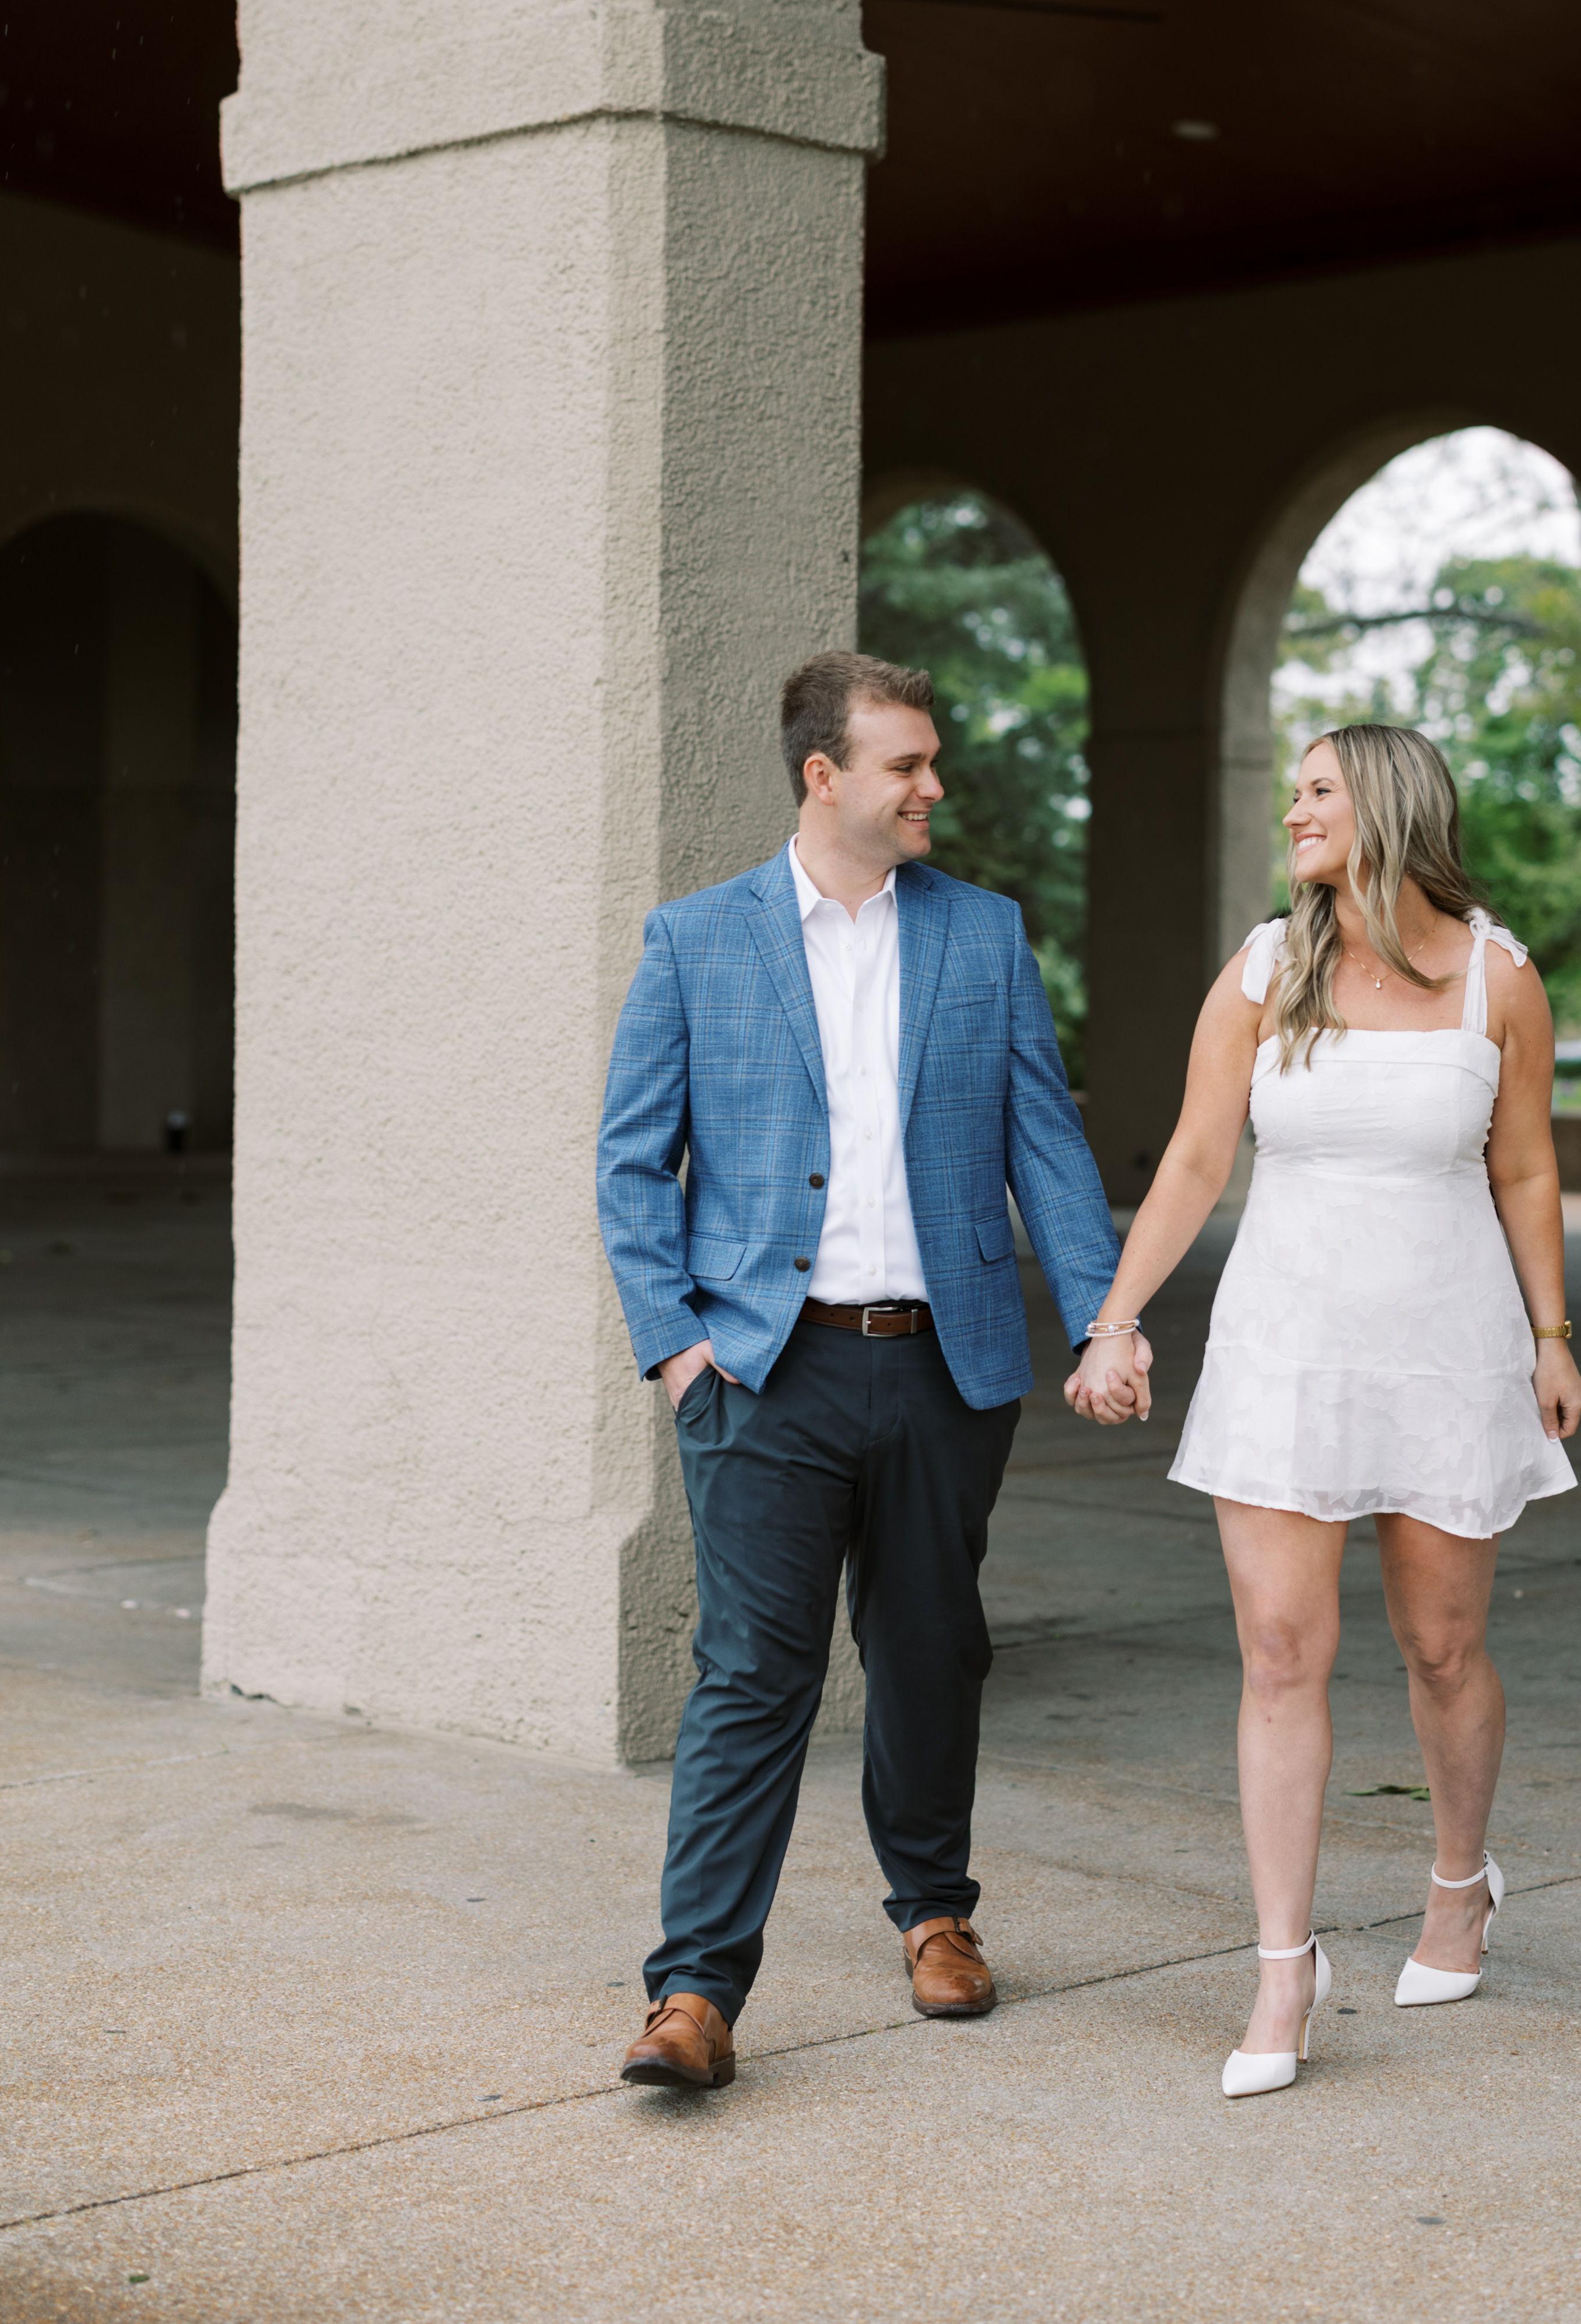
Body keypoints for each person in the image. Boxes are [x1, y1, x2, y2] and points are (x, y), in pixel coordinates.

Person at [597, 651, 1121, 2091]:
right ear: (825, 776)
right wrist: (678, 1347)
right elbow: (633, 1163)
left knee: (931, 1651)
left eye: (932, 761)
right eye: (908, 765)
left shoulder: (983, 934)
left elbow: (1045, 1144)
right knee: (750, 1677)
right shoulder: (696, 940)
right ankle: (694, 1993)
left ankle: (936, 1914)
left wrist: (1104, 1317)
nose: (933, 785)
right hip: (767, 1372)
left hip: (946, 1366)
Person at [1065, 721, 1581, 2098]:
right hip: (1285, 1352)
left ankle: (1460, 1885)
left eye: (1319, 791)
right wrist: (1116, 1319)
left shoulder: (1498, 978)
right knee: (1281, 1656)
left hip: (1448, 1353)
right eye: (1291, 791)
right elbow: (1194, 1159)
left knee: (1441, 1648)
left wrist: (1552, 1335)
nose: (1293, 811)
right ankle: (1283, 1971)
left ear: (1392, 808)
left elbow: (1527, 1170)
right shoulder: (1263, 968)